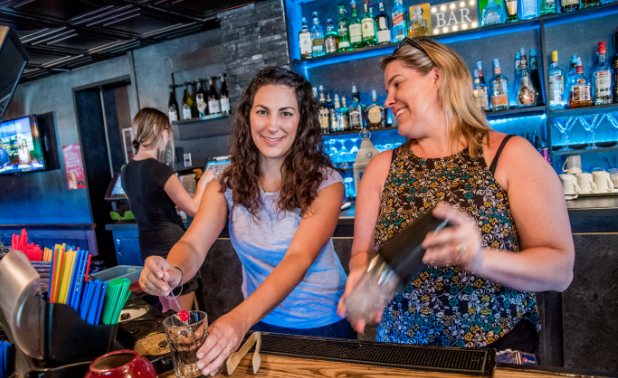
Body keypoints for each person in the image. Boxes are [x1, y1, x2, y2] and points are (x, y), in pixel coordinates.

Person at [337, 38, 575, 353]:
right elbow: (362, 253)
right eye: (387, 90)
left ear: (436, 78)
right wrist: (362, 277)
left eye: (397, 84)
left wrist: (478, 259)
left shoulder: (509, 154)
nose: (387, 101)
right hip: (401, 353)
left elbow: (560, 271)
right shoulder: (381, 168)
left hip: (493, 351)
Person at [139, 67, 355, 376]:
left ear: (302, 121)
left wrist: (239, 318)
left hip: (323, 325)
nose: (272, 125)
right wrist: (173, 272)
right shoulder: (224, 183)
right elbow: (193, 243)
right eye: (263, 111)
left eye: (286, 113)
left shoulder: (326, 183)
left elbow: (298, 258)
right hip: (260, 325)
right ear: (248, 117)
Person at [122, 108, 214, 311]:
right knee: (182, 316)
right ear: (157, 129)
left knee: (167, 312)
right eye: (167, 132)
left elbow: (151, 202)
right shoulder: (159, 169)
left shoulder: (127, 171)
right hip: (173, 248)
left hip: (148, 248)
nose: (167, 138)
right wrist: (205, 181)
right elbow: (193, 209)